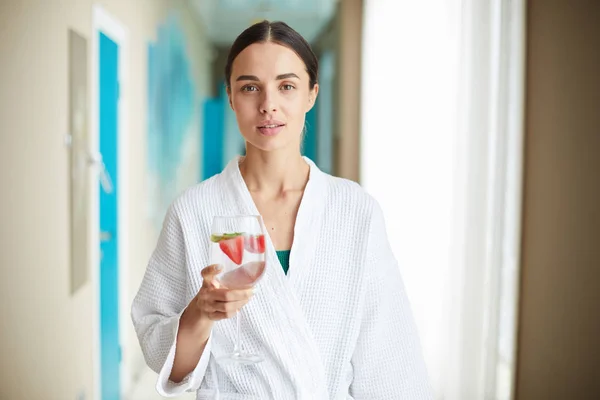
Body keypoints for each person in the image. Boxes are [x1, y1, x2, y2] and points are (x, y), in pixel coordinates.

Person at [131, 20, 433, 399]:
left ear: (311, 94)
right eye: (249, 87)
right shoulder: (194, 212)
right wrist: (200, 313)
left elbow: (390, 359)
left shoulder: (355, 211)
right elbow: (163, 358)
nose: (267, 105)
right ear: (230, 97)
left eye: (286, 86)